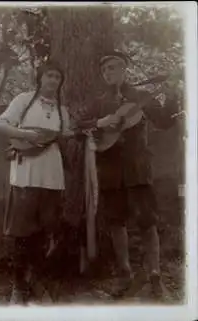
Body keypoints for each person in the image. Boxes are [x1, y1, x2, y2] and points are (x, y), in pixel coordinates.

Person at [78, 51, 180, 298]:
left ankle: (155, 277)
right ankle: (125, 275)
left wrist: (173, 92)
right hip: (110, 171)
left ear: (125, 70)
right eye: (105, 70)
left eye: (113, 68)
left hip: (137, 169)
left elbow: (165, 121)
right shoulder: (100, 102)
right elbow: (78, 124)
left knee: (147, 222)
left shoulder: (143, 97)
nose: (108, 73)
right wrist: (102, 122)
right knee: (116, 223)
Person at [0, 61, 75, 305]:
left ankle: (36, 283)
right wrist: (25, 134)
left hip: (52, 176)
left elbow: (64, 135)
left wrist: (80, 133)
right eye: (49, 75)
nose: (53, 81)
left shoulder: (63, 110)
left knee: (45, 230)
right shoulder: (24, 100)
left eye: (57, 77)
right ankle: (18, 287)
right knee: (21, 232)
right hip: (26, 173)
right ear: (40, 78)